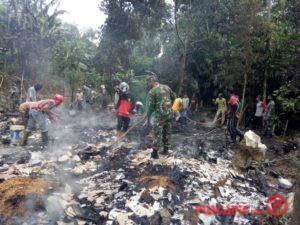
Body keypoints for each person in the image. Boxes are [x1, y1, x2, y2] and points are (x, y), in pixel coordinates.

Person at [147, 74, 176, 159]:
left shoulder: (152, 91)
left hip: (160, 115)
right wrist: (170, 107)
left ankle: (155, 153)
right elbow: (174, 98)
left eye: (149, 82)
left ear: (151, 81)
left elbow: (151, 106)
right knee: (167, 130)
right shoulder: (167, 87)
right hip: (169, 113)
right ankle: (166, 150)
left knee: (157, 132)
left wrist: (148, 115)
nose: (149, 84)